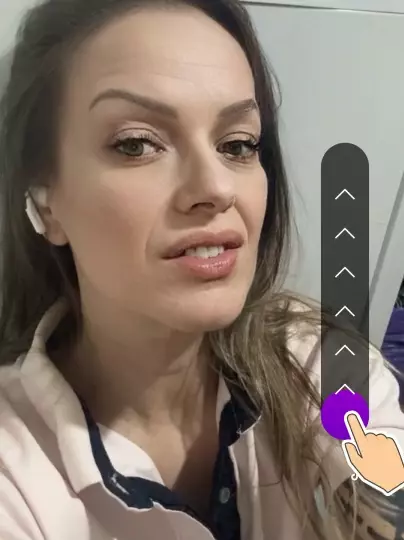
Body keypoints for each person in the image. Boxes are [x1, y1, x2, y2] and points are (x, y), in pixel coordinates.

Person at [0, 0, 402, 539]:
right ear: (46, 202)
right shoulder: (15, 474)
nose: (216, 187)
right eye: (136, 144)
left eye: (238, 144)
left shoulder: (323, 367)